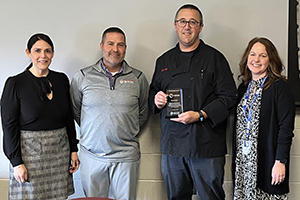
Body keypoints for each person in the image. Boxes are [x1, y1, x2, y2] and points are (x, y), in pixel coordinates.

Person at [149, 4, 237, 200]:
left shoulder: (215, 58)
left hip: (206, 144)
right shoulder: (163, 61)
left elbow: (229, 97)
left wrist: (200, 114)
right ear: (175, 25)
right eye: (182, 21)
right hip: (173, 147)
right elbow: (153, 92)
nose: (187, 26)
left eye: (192, 22)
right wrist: (156, 99)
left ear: (201, 27)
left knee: (210, 197)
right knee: (176, 197)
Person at [70, 27, 149, 200]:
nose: (115, 49)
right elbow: (76, 111)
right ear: (101, 46)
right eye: (110, 44)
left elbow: (143, 113)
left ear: (125, 48)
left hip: (126, 156)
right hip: (92, 155)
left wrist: (126, 131)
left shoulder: (138, 78)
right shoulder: (83, 76)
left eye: (120, 45)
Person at [1, 33, 80, 200]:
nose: (43, 56)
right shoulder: (15, 83)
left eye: (48, 51)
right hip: (29, 156)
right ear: (28, 53)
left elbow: (68, 117)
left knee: (58, 197)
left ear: (53, 53)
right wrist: (16, 162)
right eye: (37, 51)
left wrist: (73, 149)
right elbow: (9, 126)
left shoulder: (61, 80)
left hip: (59, 152)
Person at [232, 37, 295, 199]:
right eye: (252, 54)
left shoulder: (280, 87)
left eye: (263, 56)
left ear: (271, 59)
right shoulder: (243, 87)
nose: (256, 60)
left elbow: (286, 128)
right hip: (244, 164)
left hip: (267, 161)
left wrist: (280, 161)